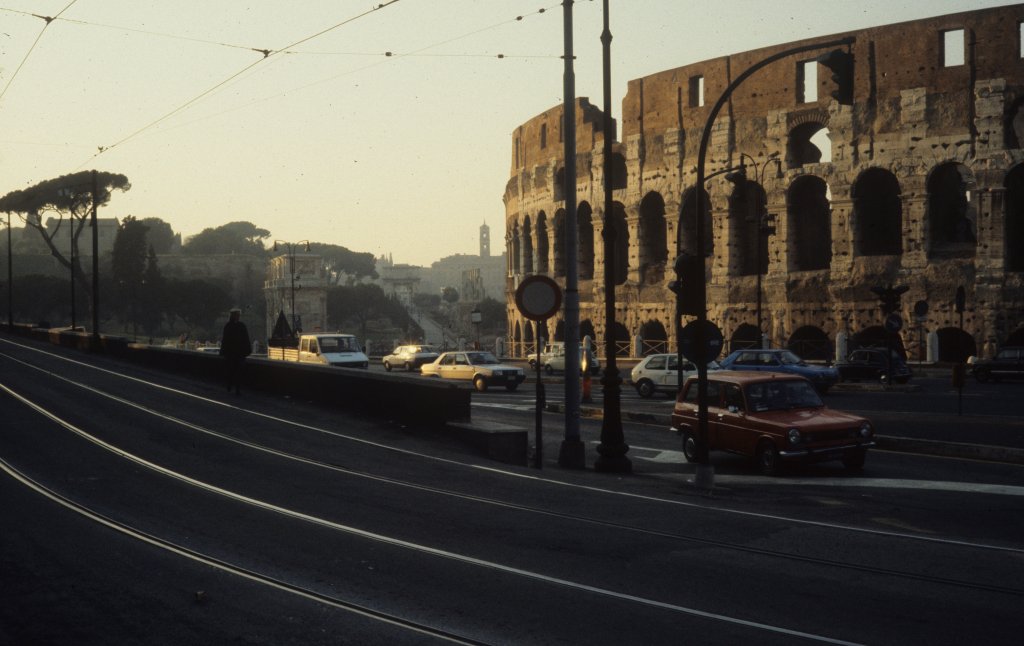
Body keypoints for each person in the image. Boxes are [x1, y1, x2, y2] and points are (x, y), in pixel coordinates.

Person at [219, 307, 251, 394]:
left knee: (235, 371)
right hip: (234, 353)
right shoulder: (234, 326)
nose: (238, 317)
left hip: (235, 353)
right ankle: (233, 386)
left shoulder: (231, 326)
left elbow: (225, 340)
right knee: (234, 371)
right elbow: (226, 340)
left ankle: (235, 387)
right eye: (237, 315)